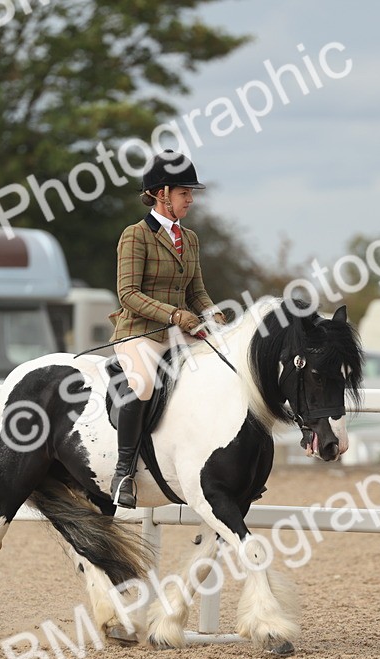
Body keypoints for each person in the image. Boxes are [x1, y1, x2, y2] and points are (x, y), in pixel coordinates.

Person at [107, 150, 226, 508]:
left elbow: (196, 292)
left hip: (180, 331)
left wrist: (213, 313)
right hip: (140, 332)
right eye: (184, 193)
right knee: (143, 385)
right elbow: (128, 294)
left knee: (220, 373)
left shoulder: (190, 239)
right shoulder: (135, 235)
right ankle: (123, 473)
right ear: (162, 194)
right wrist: (174, 315)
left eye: (190, 193)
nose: (190, 199)